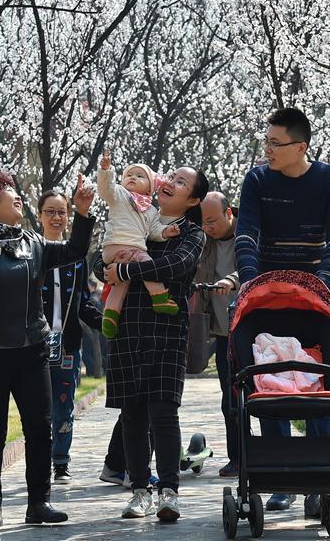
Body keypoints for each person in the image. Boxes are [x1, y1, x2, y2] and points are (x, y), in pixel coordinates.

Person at [0, 169, 95, 527]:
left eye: (16, 190)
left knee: (39, 429)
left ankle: (39, 504)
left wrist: (82, 212)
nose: (17, 196)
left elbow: (75, 250)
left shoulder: (34, 244)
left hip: (32, 349)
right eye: (7, 191)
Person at [235, 107, 330, 514]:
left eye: (275, 143)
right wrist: (251, 280)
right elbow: (247, 233)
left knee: (324, 376)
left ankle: (320, 478)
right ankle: (278, 475)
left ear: (300, 146)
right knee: (266, 379)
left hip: (313, 297)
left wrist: (319, 284)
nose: (267, 150)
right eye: (265, 141)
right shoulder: (257, 181)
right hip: (266, 296)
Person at [95, 165, 208, 522]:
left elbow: (176, 265)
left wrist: (124, 271)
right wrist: (107, 267)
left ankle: (169, 493)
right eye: (170, 177)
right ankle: (139, 492)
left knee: (163, 412)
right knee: (132, 415)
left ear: (193, 200)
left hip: (167, 330)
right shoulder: (136, 212)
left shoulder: (191, 233)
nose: (170, 183)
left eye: (181, 182)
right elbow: (99, 259)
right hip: (128, 326)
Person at [37, 189, 103, 484]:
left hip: (67, 343)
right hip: (33, 344)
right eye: (50, 211)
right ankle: (37, 461)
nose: (56, 217)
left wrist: (107, 324)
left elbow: (84, 303)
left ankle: (60, 461)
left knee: (64, 403)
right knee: (37, 406)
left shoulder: (76, 259)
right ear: (39, 215)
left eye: (61, 212)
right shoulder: (31, 251)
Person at [96, 149, 181, 337]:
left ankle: (109, 316)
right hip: (119, 246)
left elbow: (154, 231)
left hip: (121, 253)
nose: (132, 177)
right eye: (128, 175)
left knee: (120, 284)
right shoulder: (119, 194)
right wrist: (106, 170)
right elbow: (105, 189)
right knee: (147, 264)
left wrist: (166, 231)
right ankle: (159, 297)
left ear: (150, 187)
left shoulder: (150, 211)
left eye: (140, 176)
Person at [194, 191, 240, 476]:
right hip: (222, 332)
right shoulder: (204, 243)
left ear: (229, 214)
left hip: (248, 329)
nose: (207, 227)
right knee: (229, 399)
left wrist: (231, 281)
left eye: (212, 221)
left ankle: (266, 455)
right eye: (203, 222)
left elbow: (251, 267)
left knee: (259, 398)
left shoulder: (247, 234)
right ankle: (237, 458)